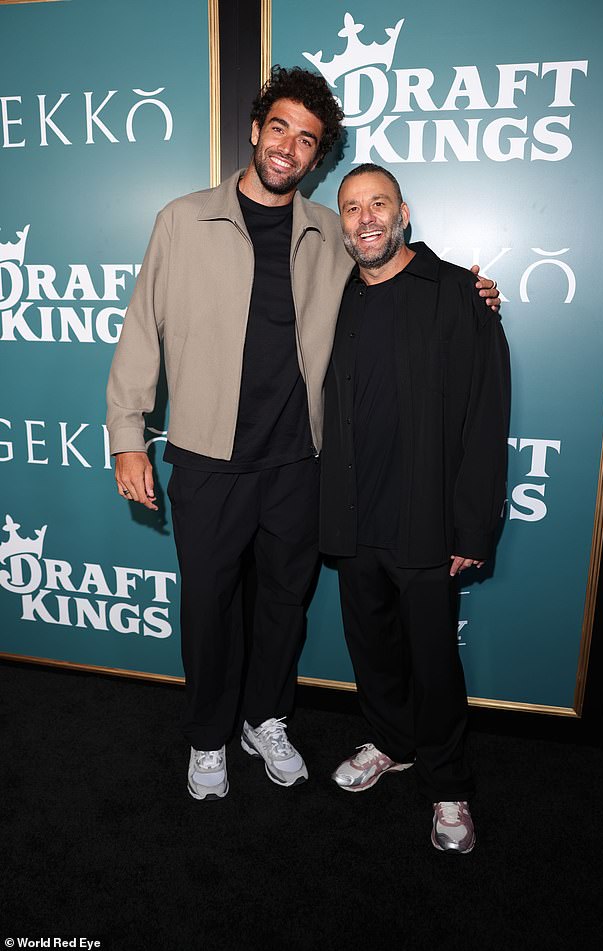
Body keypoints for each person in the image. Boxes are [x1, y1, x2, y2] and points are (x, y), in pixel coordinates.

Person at [106, 68, 501, 803]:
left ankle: (265, 717)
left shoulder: (329, 231)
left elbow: (395, 265)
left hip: (300, 463)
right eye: (279, 128)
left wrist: (467, 289)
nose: (289, 146)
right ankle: (206, 734)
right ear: (255, 131)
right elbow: (140, 329)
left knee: (285, 605)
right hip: (208, 457)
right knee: (209, 604)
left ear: (318, 159)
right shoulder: (182, 218)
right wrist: (128, 432)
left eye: (308, 139)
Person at [319, 164, 511, 853]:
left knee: (434, 661)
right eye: (351, 207)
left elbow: (486, 421)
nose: (365, 217)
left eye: (378, 204)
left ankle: (448, 782)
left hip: (428, 523)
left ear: (404, 213)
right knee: (371, 650)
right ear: (339, 221)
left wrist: (472, 525)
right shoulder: (331, 299)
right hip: (350, 516)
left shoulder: (461, 293)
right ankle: (391, 743)